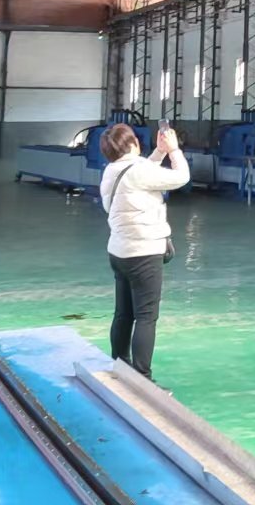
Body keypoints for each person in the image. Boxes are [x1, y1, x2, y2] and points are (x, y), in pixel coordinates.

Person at [98, 122, 190, 382]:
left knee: (123, 313)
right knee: (146, 317)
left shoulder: (112, 171)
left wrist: (159, 152)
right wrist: (173, 150)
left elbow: (141, 172)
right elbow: (181, 177)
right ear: (134, 144)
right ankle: (142, 378)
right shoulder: (138, 171)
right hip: (144, 254)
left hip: (119, 253)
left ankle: (119, 365)